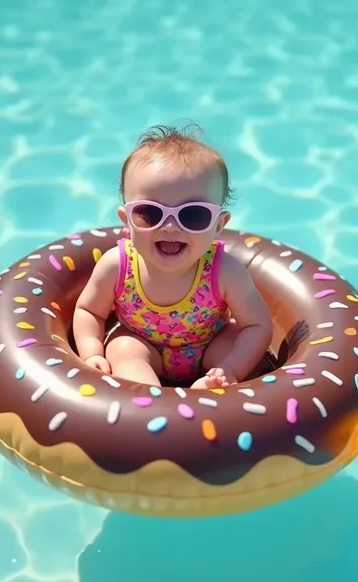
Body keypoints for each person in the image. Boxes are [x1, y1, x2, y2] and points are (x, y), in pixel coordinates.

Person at [73, 125, 273, 389]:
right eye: (150, 213)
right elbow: (89, 310)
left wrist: (231, 368)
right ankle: (147, 400)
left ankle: (214, 386)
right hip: (142, 345)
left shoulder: (224, 270)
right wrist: (92, 353)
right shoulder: (116, 265)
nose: (170, 226)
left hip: (209, 345)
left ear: (218, 225)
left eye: (193, 215)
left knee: (236, 339)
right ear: (126, 220)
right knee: (122, 348)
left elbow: (257, 325)